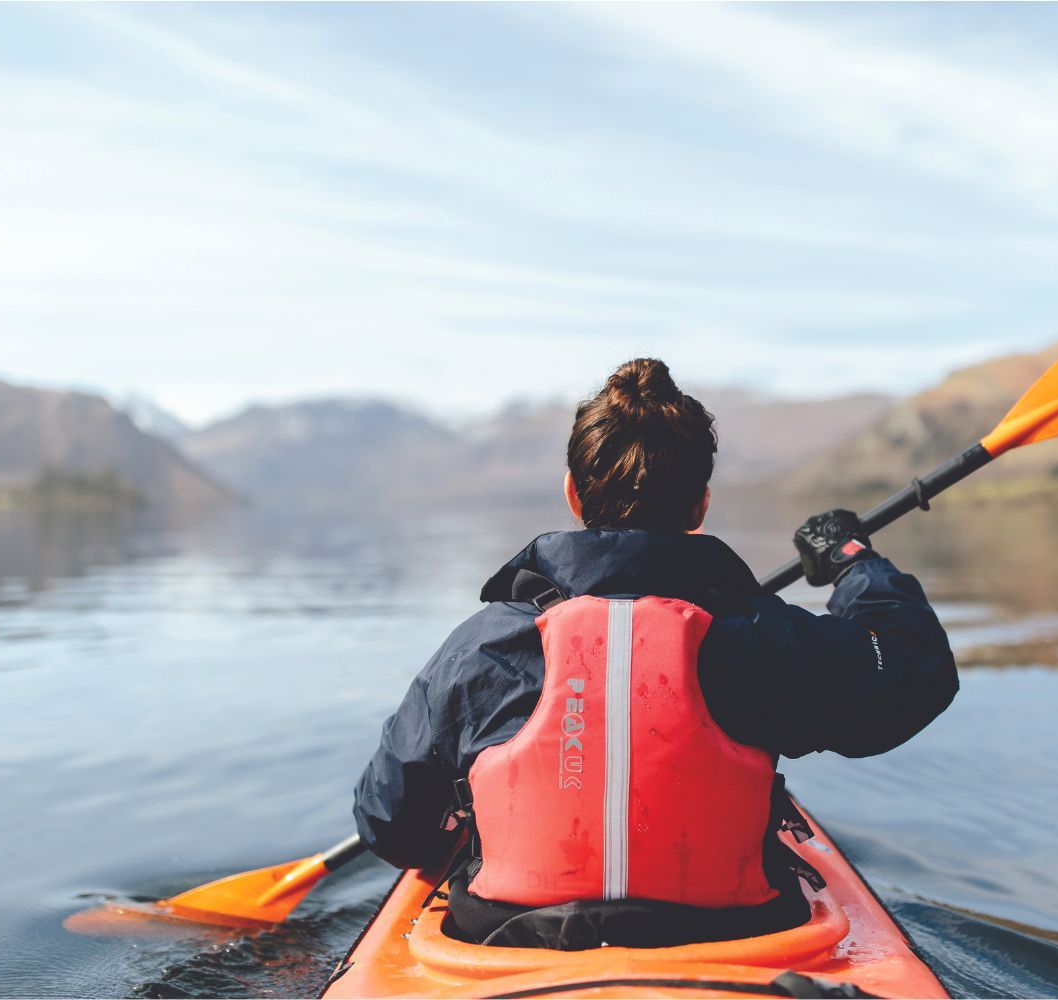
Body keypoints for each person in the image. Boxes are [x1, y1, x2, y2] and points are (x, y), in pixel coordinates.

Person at [352, 358, 958, 949]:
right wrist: (853, 562)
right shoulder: (761, 638)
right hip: (736, 939)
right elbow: (915, 666)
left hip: (504, 938)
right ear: (700, 504)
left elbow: (391, 827)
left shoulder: (480, 648)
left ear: (573, 494)